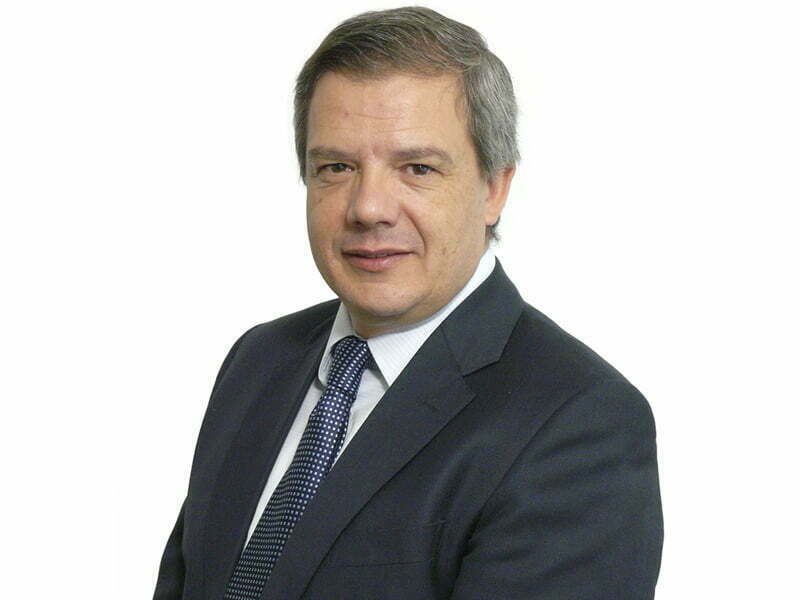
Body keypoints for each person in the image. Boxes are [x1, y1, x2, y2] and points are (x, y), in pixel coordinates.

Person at [153, 6, 663, 600]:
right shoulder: (258, 359)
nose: (368, 207)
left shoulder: (580, 422)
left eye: (417, 168)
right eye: (336, 167)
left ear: (494, 187)